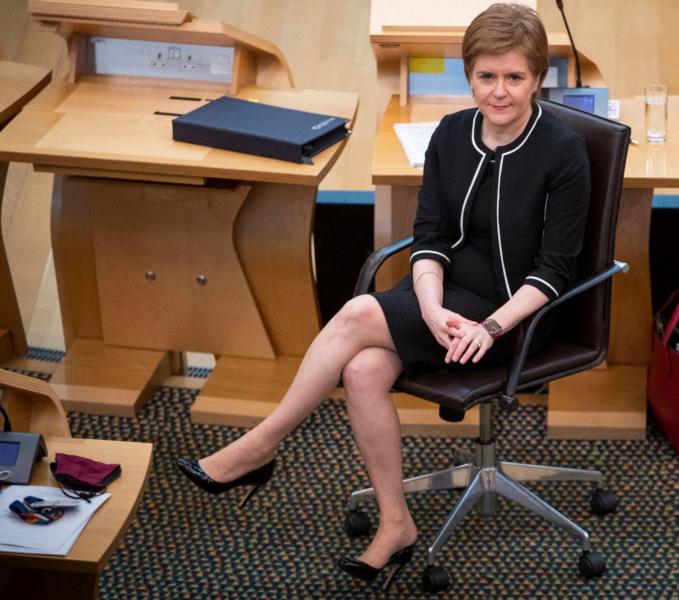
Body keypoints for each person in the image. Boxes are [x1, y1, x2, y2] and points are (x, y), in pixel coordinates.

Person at [176, 2, 590, 590]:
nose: (499, 92)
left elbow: (554, 271)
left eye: (515, 78)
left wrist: (490, 327)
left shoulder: (562, 151)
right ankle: (396, 524)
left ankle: (261, 444)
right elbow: (431, 237)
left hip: (517, 315)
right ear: (468, 75)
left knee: (356, 315)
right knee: (366, 369)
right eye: (486, 77)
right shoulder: (451, 134)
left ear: (538, 78)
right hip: (442, 301)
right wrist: (428, 304)